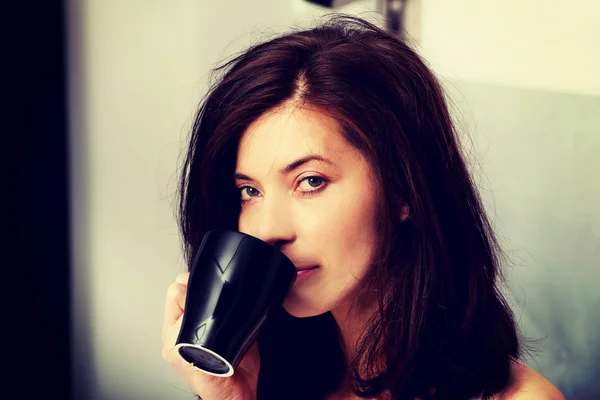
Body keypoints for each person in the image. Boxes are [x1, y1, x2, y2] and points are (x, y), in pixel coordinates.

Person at [161, 15, 565, 400]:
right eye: (249, 191)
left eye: (311, 182)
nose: (267, 230)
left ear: (402, 191)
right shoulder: (275, 379)